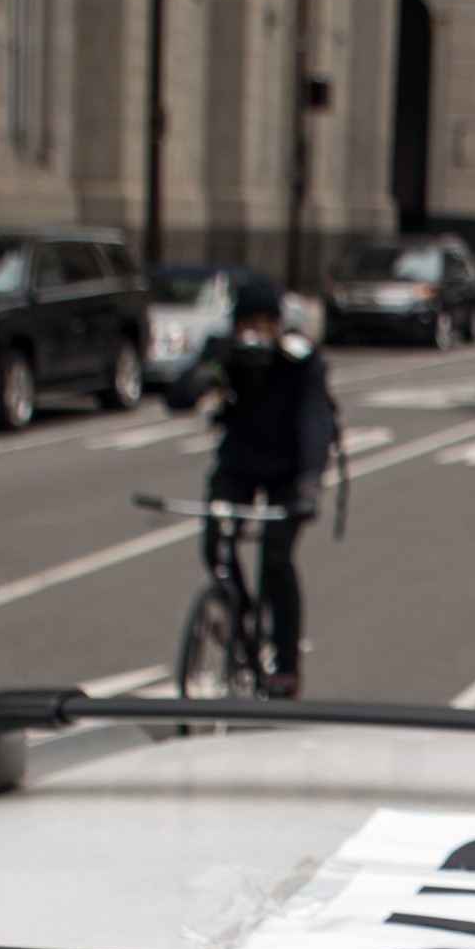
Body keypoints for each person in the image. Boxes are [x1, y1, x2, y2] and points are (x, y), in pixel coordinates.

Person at [165, 276, 334, 698]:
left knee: (276, 558)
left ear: (279, 324)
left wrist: (310, 483)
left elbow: (315, 421)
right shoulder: (225, 355)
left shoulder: (301, 361)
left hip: (288, 471)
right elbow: (176, 396)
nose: (256, 332)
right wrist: (205, 376)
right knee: (215, 544)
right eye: (247, 323)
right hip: (239, 464)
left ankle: (286, 666)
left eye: (265, 322)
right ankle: (235, 615)